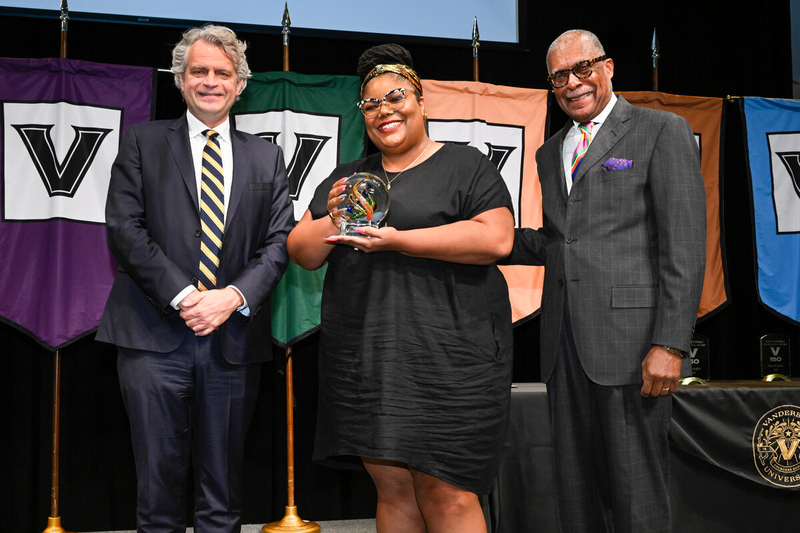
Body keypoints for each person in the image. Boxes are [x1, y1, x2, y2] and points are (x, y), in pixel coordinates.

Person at [286, 44, 515, 533]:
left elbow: (496, 238)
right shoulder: (350, 177)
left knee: (448, 490)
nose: (384, 110)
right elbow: (304, 253)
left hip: (452, 361)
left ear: (421, 99)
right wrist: (332, 211)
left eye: (395, 96)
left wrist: (397, 241)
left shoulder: (465, 166)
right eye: (371, 104)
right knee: (392, 488)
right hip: (370, 360)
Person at [505, 30, 706, 532]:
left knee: (636, 492)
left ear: (609, 67)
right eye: (559, 77)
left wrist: (670, 344)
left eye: (583, 68)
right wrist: (478, 239)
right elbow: (559, 240)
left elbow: (683, 244)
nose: (573, 83)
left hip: (632, 346)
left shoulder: (661, 130)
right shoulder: (550, 152)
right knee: (574, 493)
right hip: (562, 345)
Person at [97, 24, 293, 533]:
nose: (211, 81)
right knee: (157, 489)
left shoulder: (266, 156)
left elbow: (279, 243)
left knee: (222, 491)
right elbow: (125, 228)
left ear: (240, 83)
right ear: (180, 80)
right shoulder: (142, 141)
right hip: (150, 337)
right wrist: (186, 296)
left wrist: (230, 297)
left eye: (222, 73)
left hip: (232, 340)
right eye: (199, 71)